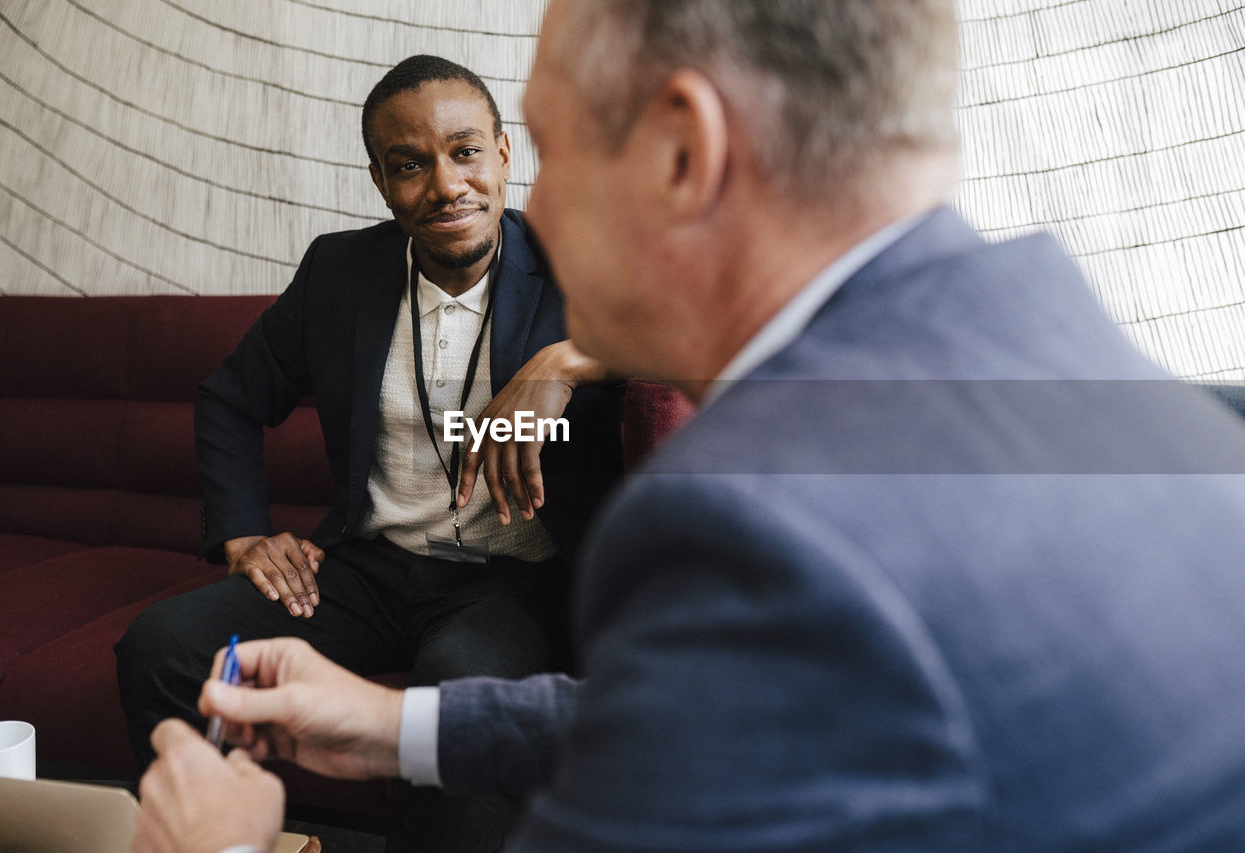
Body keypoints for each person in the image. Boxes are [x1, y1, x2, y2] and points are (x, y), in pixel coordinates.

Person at [134, 2, 1245, 851]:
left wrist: (226, 845)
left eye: (547, 151)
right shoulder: (1103, 374)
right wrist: (393, 729)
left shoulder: (744, 522)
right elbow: (725, 710)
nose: (534, 209)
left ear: (680, 151)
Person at [116, 53, 621, 851]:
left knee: (458, 683)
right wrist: (243, 533)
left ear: (502, 154)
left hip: (515, 580)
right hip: (370, 568)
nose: (446, 185)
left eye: (464, 152)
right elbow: (229, 398)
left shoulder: (582, 267)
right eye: (410, 165)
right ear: (383, 184)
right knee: (164, 647)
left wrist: (569, 362)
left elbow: (705, 343)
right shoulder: (340, 273)